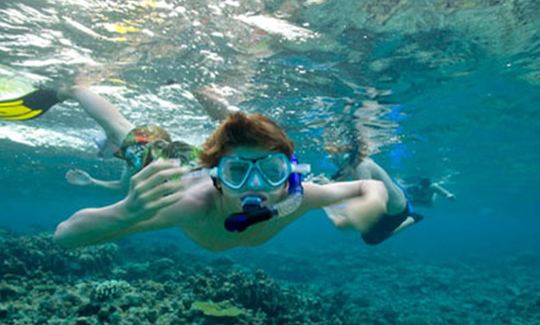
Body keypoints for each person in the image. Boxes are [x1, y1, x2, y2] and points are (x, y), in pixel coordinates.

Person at [52, 90, 422, 250]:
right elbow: (65, 236)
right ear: (217, 177)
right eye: (237, 173)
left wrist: (372, 201)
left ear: (290, 173)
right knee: (128, 135)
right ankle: (74, 87)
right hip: (176, 169)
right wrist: (127, 210)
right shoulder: (194, 203)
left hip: (209, 159)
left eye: (272, 170)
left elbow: (367, 188)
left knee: (240, 146)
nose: (256, 186)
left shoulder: (298, 195)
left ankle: (229, 121)